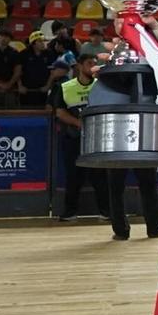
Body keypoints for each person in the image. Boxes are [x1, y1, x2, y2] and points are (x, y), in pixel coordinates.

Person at [50, 56, 110, 226]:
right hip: (73, 138)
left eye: (94, 64)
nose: (93, 67)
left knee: (100, 176)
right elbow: (60, 113)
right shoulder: (65, 87)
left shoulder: (101, 86)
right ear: (79, 66)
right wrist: (79, 124)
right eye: (89, 64)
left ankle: (106, 212)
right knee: (73, 176)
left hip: (98, 138)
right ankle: (70, 213)